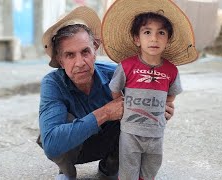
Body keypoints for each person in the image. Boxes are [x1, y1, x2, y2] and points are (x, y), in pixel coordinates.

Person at [38, 6, 175, 180]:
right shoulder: (53, 84)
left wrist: (161, 109)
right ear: (60, 60)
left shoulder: (119, 74)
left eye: (85, 52)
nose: (80, 62)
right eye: (70, 55)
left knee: (132, 110)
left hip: (108, 143)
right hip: (73, 149)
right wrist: (105, 113)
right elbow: (51, 144)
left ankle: (110, 166)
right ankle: (67, 172)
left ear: (95, 49)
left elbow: (149, 105)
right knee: (56, 130)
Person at [101, 0, 198, 179]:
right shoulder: (126, 66)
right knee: (128, 171)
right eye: (147, 32)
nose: (154, 38)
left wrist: (166, 108)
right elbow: (115, 92)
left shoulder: (171, 70)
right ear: (137, 39)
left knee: (150, 169)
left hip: (156, 133)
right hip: (130, 132)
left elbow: (172, 95)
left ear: (168, 39)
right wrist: (124, 106)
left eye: (161, 32)